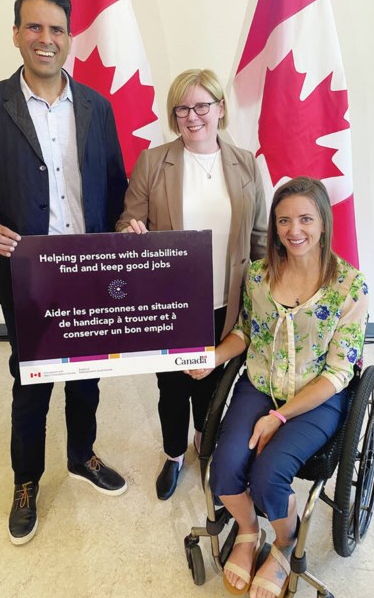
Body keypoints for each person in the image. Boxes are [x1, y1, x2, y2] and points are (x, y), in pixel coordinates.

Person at [0, 0, 130, 546]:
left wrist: (128, 228)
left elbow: (117, 185)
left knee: (86, 377)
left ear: (70, 37)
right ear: (16, 35)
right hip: (27, 274)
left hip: (90, 269)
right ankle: (26, 480)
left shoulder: (99, 109)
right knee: (31, 382)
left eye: (56, 29)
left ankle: (81, 455)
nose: (46, 39)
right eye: (34, 27)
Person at [185, 177, 368, 597]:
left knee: (269, 478)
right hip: (260, 383)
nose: (294, 230)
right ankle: (250, 533)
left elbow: (340, 372)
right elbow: (248, 333)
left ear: (323, 223)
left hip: (316, 396)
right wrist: (213, 356)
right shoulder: (258, 276)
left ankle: (285, 543)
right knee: (225, 470)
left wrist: (279, 417)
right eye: (284, 220)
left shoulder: (349, 287)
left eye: (305, 218)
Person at [116, 69, 267, 501]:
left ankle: (205, 439)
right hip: (171, 300)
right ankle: (173, 453)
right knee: (171, 384)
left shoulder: (245, 163)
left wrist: (260, 295)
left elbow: (258, 235)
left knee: (212, 379)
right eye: (183, 108)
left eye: (202, 105)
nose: (192, 116)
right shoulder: (154, 161)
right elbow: (127, 220)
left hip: (226, 296)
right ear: (174, 114)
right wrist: (132, 231)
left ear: (220, 109)